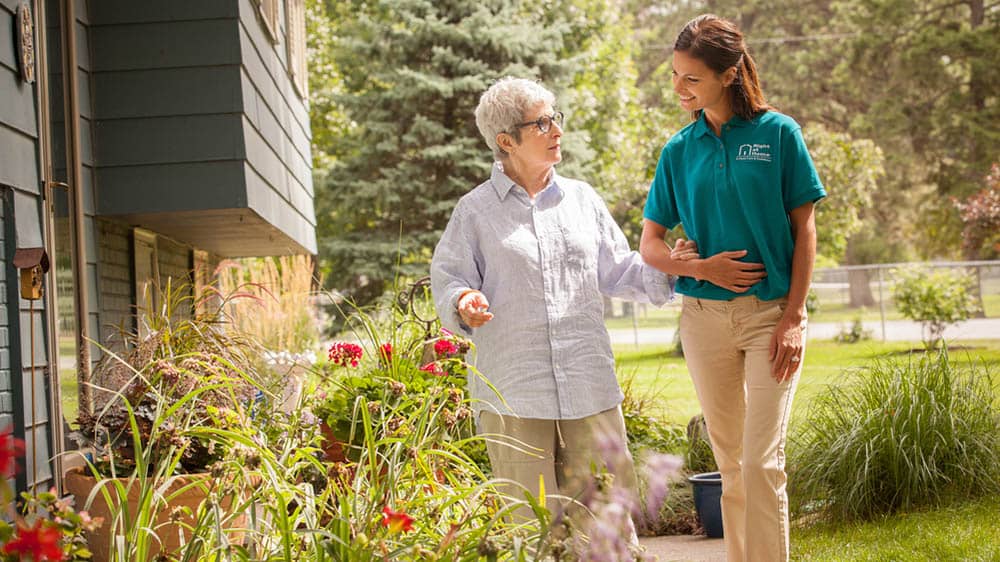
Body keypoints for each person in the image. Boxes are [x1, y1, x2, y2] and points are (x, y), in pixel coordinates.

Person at [430, 77, 694, 521]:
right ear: (505, 140)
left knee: (607, 520)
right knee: (530, 524)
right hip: (514, 390)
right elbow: (449, 278)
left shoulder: (582, 200)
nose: (557, 131)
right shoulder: (473, 212)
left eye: (556, 119)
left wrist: (672, 266)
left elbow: (620, 271)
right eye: (542, 123)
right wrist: (464, 301)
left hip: (587, 383)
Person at [638, 15, 826, 562]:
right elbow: (650, 243)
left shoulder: (778, 133)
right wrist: (698, 269)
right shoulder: (679, 149)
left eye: (691, 78)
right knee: (732, 464)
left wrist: (793, 317)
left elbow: (805, 228)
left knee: (762, 460)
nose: (679, 87)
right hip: (704, 319)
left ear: (728, 74)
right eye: (675, 74)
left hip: (772, 315)